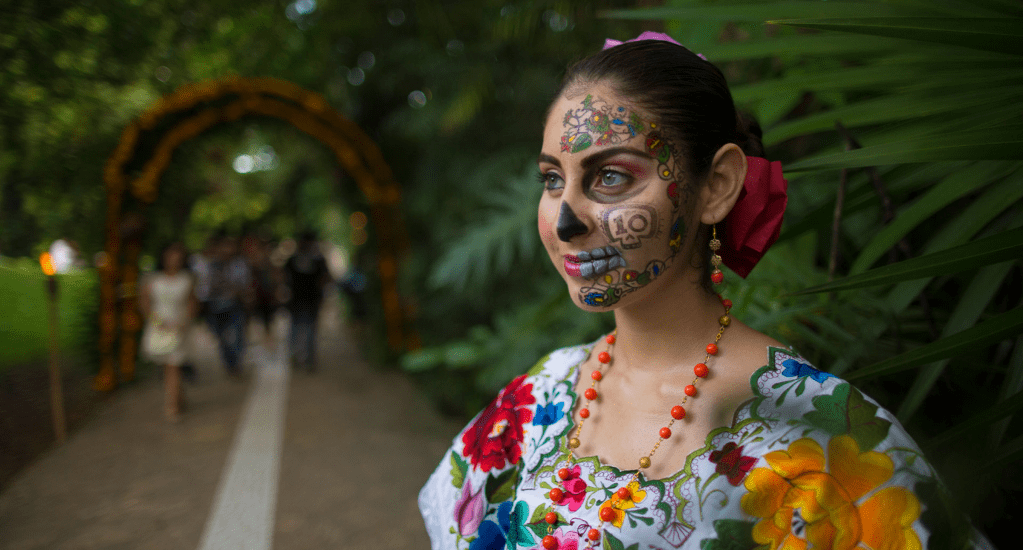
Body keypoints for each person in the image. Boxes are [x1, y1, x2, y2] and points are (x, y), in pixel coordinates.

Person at [419, 33, 984, 550]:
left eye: (610, 176)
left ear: (716, 186)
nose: (565, 221)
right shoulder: (538, 399)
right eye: (552, 179)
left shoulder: (816, 429)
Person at [139, 242, 195, 421]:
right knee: (169, 366)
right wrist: (156, 321)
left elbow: (192, 303)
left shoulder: (187, 279)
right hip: (159, 325)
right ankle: (178, 396)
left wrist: (184, 322)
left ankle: (172, 404)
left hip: (179, 326)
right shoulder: (153, 279)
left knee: (173, 365)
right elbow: (145, 302)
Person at [205, 232, 250, 376]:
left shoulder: (239, 264)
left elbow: (244, 285)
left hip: (235, 306)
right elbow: (204, 287)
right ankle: (229, 363)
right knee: (221, 338)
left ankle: (236, 363)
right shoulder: (210, 265)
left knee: (237, 336)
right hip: (214, 306)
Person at [284, 231, 330, 371]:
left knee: (301, 329)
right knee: (305, 329)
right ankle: (306, 359)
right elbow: (325, 278)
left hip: (305, 301)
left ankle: (302, 358)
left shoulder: (298, 260)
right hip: (304, 301)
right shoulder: (316, 260)